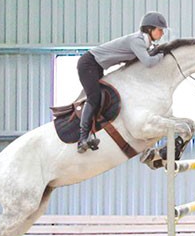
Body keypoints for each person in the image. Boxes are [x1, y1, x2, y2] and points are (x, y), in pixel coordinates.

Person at [51, 13, 172, 150]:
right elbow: (148, 63)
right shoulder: (137, 41)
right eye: (160, 30)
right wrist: (163, 54)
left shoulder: (144, 43)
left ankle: (95, 132)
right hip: (88, 64)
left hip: (97, 66)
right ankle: (82, 138)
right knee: (94, 98)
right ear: (150, 29)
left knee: (104, 98)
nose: (162, 33)